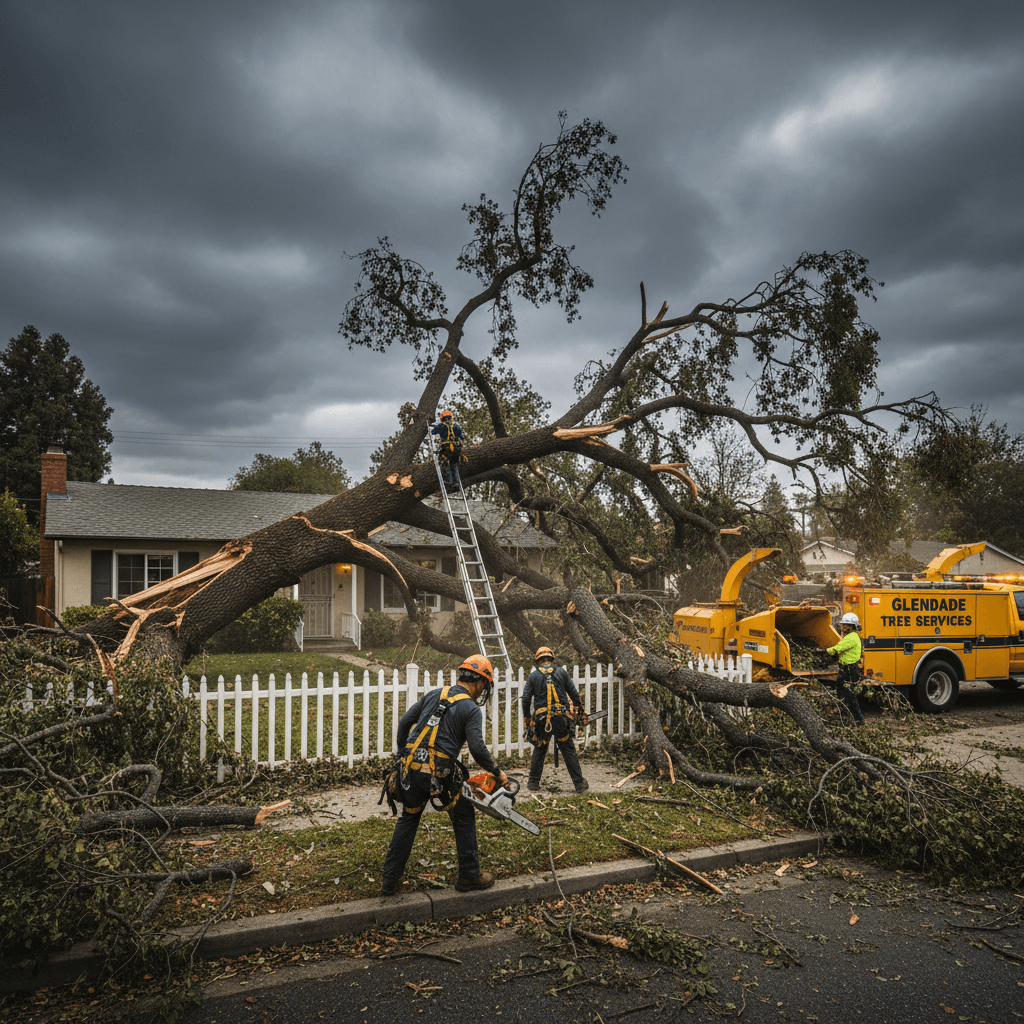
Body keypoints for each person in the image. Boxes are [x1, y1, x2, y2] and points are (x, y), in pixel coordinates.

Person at [380, 655, 507, 896]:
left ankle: (389, 881)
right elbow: (478, 749)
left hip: (411, 768)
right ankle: (469, 875)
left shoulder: (435, 693)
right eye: (484, 687)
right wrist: (497, 772)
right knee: (463, 814)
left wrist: (399, 758)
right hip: (439, 773)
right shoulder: (470, 708)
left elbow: (406, 721)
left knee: (409, 818)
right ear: (481, 683)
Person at [522, 646, 589, 794]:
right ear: (551, 659)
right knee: (568, 748)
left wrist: (527, 717)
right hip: (561, 719)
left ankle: (533, 782)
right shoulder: (561, 673)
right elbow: (573, 693)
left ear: (538, 661)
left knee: (540, 749)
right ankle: (579, 784)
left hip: (541, 720)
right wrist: (578, 708)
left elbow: (526, 698)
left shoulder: (533, 676)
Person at [826, 612, 865, 725]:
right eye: (842, 625)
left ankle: (859, 720)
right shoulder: (849, 637)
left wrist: (822, 651)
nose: (842, 627)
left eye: (845, 625)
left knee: (849, 695)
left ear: (852, 627)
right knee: (841, 693)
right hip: (846, 669)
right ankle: (844, 717)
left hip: (849, 670)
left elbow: (836, 649)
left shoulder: (851, 638)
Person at [430, 409, 464, 494]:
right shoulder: (456, 426)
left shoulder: (441, 426)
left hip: (446, 449)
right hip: (456, 449)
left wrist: (432, 425)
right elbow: (461, 435)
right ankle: (456, 483)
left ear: (442, 419)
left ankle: (449, 483)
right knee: (454, 465)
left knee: (446, 465)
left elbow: (433, 432)